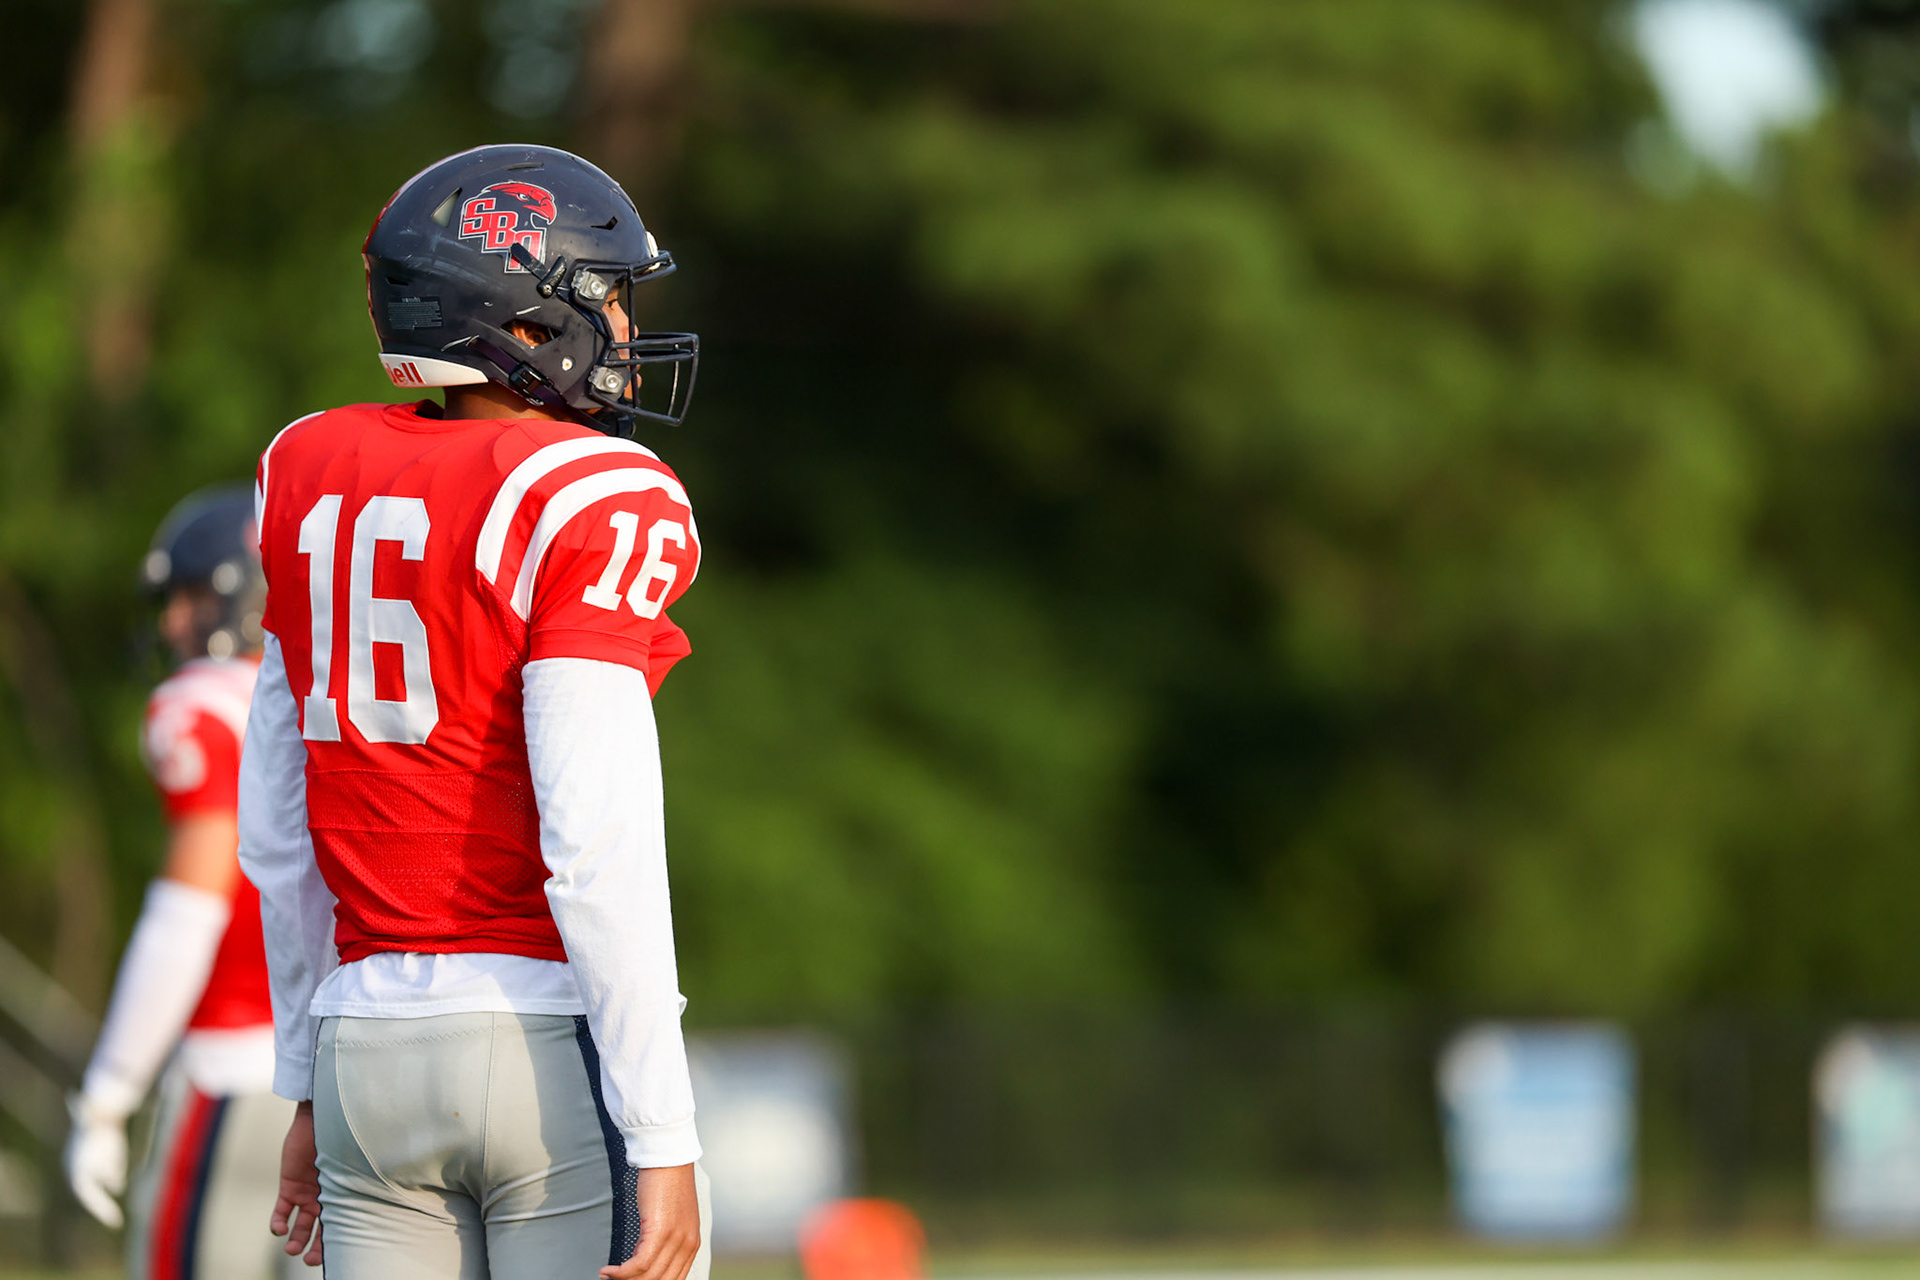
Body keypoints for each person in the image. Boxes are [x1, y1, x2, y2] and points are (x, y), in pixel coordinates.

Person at [237, 143, 710, 1280]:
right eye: (606, 300)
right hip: (539, 1034)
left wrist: (303, 1074)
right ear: (524, 317)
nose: (628, 338)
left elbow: (278, 826)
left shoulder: (306, 466)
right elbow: (593, 838)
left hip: (363, 1054)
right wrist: (665, 1126)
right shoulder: (589, 490)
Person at [65, 486, 299, 1279]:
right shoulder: (335, 699)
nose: (172, 624)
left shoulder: (203, 706)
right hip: (346, 1075)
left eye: (191, 598)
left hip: (233, 1074)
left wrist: (109, 1092)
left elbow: (188, 915)